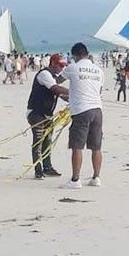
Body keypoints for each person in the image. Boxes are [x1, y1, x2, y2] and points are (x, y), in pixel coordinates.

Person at [59, 43, 103, 189]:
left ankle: (75, 180)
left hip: (81, 110)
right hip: (97, 109)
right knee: (96, 146)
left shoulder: (73, 67)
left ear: (75, 56)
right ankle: (96, 177)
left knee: (77, 146)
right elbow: (99, 90)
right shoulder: (98, 70)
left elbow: (58, 80)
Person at [26, 53, 69, 179]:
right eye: (60, 65)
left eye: (63, 66)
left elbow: (61, 95)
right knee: (38, 141)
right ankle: (38, 169)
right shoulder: (44, 74)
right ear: (53, 64)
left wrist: (75, 100)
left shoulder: (52, 77)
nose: (62, 68)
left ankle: (47, 167)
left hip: (47, 114)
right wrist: (76, 92)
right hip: (36, 113)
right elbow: (56, 89)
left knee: (48, 140)